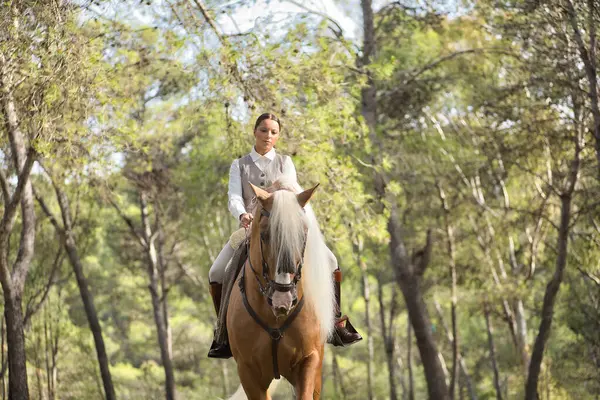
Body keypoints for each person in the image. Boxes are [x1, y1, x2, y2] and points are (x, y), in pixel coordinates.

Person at [208, 113, 362, 358]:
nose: (268, 136)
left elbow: (292, 190)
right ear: (255, 132)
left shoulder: (285, 162)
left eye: (273, 132)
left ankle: (334, 323)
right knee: (216, 272)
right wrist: (242, 215)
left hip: (286, 230)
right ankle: (222, 333)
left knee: (331, 261)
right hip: (252, 229)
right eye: (263, 130)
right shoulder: (239, 165)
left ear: (278, 136)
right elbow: (234, 197)